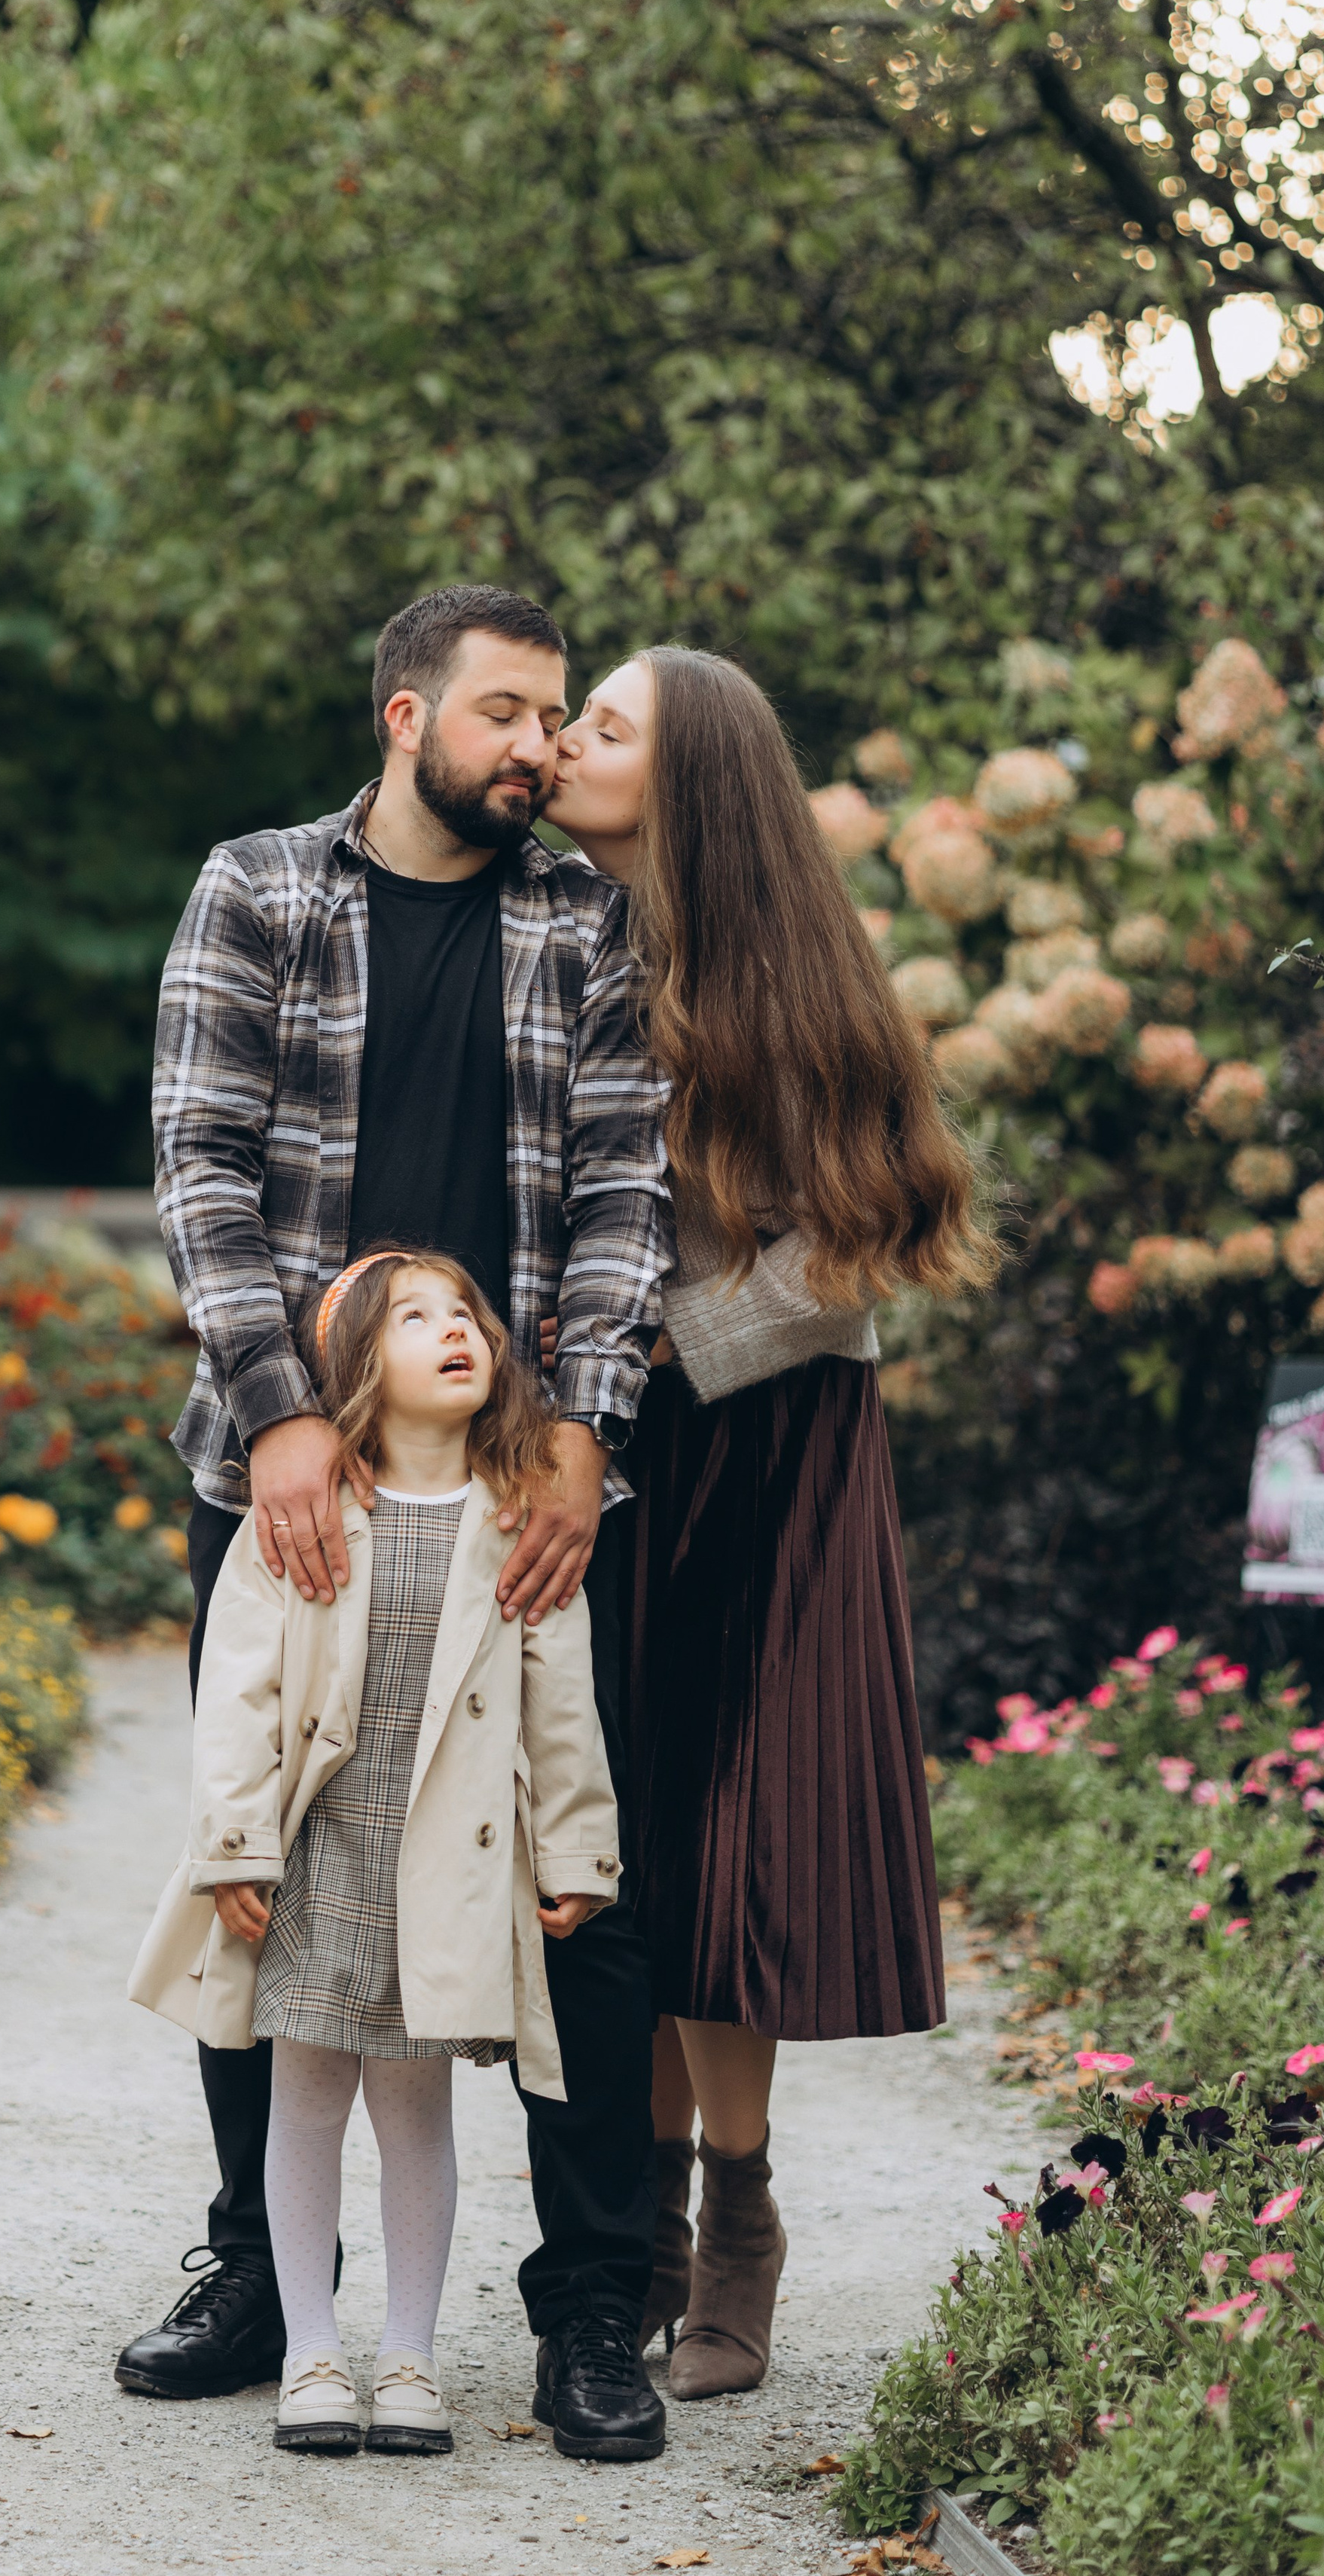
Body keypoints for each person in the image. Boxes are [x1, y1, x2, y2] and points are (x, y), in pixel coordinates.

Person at [118, 584, 673, 2462]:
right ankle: (261, 2275)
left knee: (573, 1898)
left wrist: (582, 1426)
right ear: (404, 714)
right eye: (507, 714)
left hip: (511, 1477)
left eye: (557, 717)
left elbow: (619, 1185)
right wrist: (279, 1411)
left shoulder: (582, 923)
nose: (538, 749)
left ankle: (598, 2304)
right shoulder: (259, 889)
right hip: (278, 1470)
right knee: (256, 1853)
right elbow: (197, 1157)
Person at [544, 646, 997, 2398]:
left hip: (771, 1454)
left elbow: (851, 1252)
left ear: (692, 778)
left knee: (732, 1851)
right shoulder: (566, 943)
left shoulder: (789, 984)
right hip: (608, 1455)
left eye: (602, 724)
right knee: (635, 1850)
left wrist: (665, 1338)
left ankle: (736, 2216)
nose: (569, 742)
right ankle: (640, 2220)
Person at [130, 1250, 619, 2458]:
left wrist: (578, 1852)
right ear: (356, 1369)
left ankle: (410, 2355)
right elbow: (238, 1691)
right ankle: (310, 2351)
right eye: (416, 1319)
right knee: (303, 2099)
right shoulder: (298, 1520)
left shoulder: (518, 1525)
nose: (457, 1332)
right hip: (320, 1857)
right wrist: (234, 1844)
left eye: (468, 1316)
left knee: (415, 2107)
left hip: (446, 1866)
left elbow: (562, 1707)